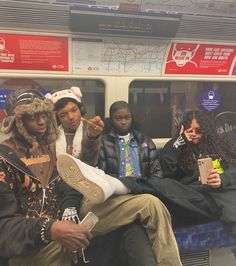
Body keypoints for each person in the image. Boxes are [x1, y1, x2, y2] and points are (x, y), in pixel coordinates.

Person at [60, 110, 236, 237]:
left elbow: (233, 172)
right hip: (187, 195)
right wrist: (178, 143)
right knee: (154, 201)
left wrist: (221, 179)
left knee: (166, 187)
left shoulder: (219, 149)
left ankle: (113, 184)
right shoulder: (179, 147)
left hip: (212, 199)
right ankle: (111, 186)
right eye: (190, 131)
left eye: (199, 131)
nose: (195, 135)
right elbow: (166, 169)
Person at [48, 90, 165, 266]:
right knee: (146, 208)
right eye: (63, 114)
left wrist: (93, 136)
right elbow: (93, 169)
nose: (71, 117)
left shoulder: (140, 141)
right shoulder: (49, 140)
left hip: (122, 190)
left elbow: (89, 157)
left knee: (150, 206)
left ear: (81, 110)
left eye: (74, 110)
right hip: (83, 196)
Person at [0, 89, 91, 266]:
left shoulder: (49, 149)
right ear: (17, 122)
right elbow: (4, 226)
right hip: (27, 247)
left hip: (57, 229)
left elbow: (65, 183)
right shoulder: (4, 159)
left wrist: (68, 208)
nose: (42, 122)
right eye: (33, 117)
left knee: (145, 204)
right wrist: (48, 229)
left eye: (44, 115)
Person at [98, 100, 163, 178]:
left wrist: (150, 188)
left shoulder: (144, 141)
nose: (124, 122)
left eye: (127, 118)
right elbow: (100, 174)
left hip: (143, 187)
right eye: (118, 118)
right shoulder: (103, 143)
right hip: (116, 187)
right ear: (111, 120)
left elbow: (156, 172)